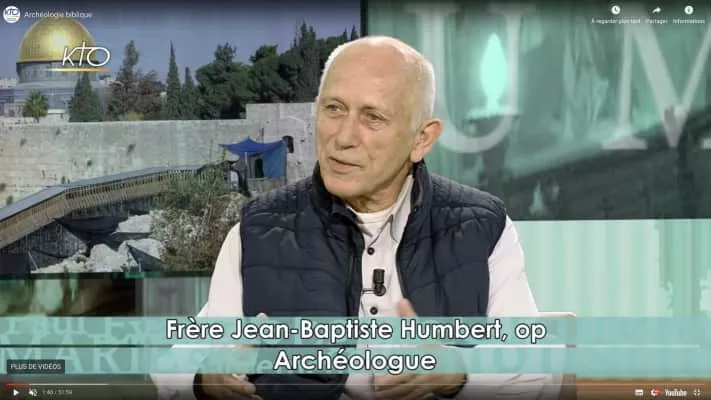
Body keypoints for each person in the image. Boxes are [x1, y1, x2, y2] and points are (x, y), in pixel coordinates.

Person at [152, 36, 560, 400]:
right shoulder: (257, 229)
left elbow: (537, 369)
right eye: (334, 109)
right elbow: (176, 366)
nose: (343, 137)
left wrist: (457, 372)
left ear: (422, 139)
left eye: (373, 117)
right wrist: (206, 380)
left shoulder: (480, 226)